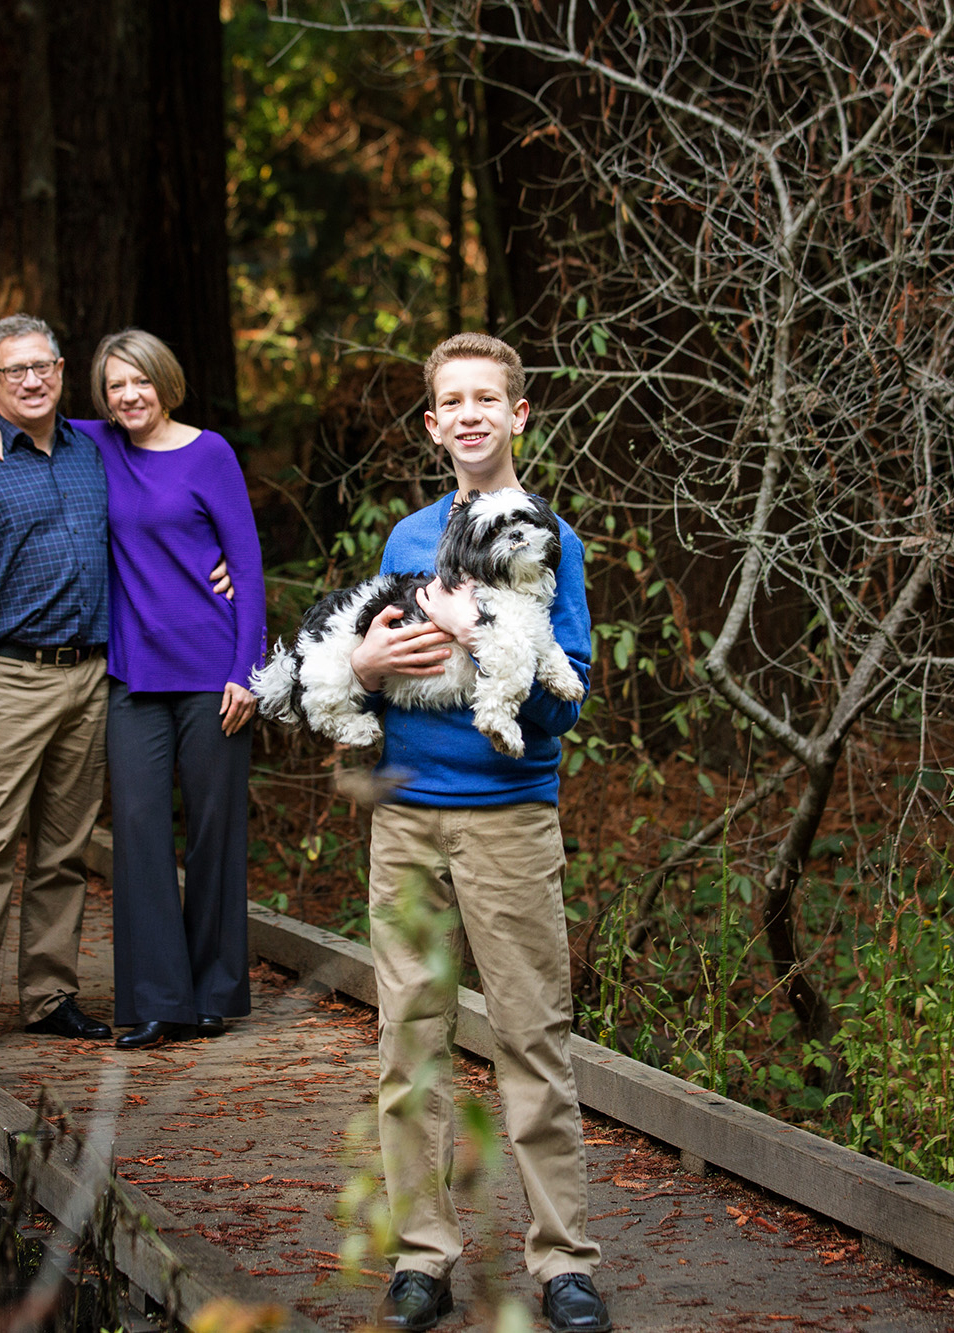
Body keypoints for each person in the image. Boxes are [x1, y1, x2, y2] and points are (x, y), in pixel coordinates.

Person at [347, 333, 610, 1332]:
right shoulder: (405, 540)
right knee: (406, 1035)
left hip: (506, 816)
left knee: (529, 1033)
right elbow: (368, 680)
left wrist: (477, 633)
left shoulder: (551, 537)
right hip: (408, 818)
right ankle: (422, 1253)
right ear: (430, 424)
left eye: (484, 399)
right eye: (448, 400)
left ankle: (562, 1262)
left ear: (516, 416)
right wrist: (367, 670)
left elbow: (560, 702)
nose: (466, 413)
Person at [0, 328, 265, 1051]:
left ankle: (215, 992)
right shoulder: (98, 446)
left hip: (213, 672)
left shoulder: (209, 452)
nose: (129, 396)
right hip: (130, 676)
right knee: (136, 835)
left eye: (141, 382)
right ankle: (160, 1001)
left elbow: (247, 566)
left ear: (166, 381)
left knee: (216, 832)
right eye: (116, 386)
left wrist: (246, 670)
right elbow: (26, 410)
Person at [0, 313, 117, 1058]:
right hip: (10, 678)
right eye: (15, 372)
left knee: (65, 848)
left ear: (63, 370)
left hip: (90, 674)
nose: (32, 381)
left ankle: (49, 994)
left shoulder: (93, 449)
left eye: (44, 367)